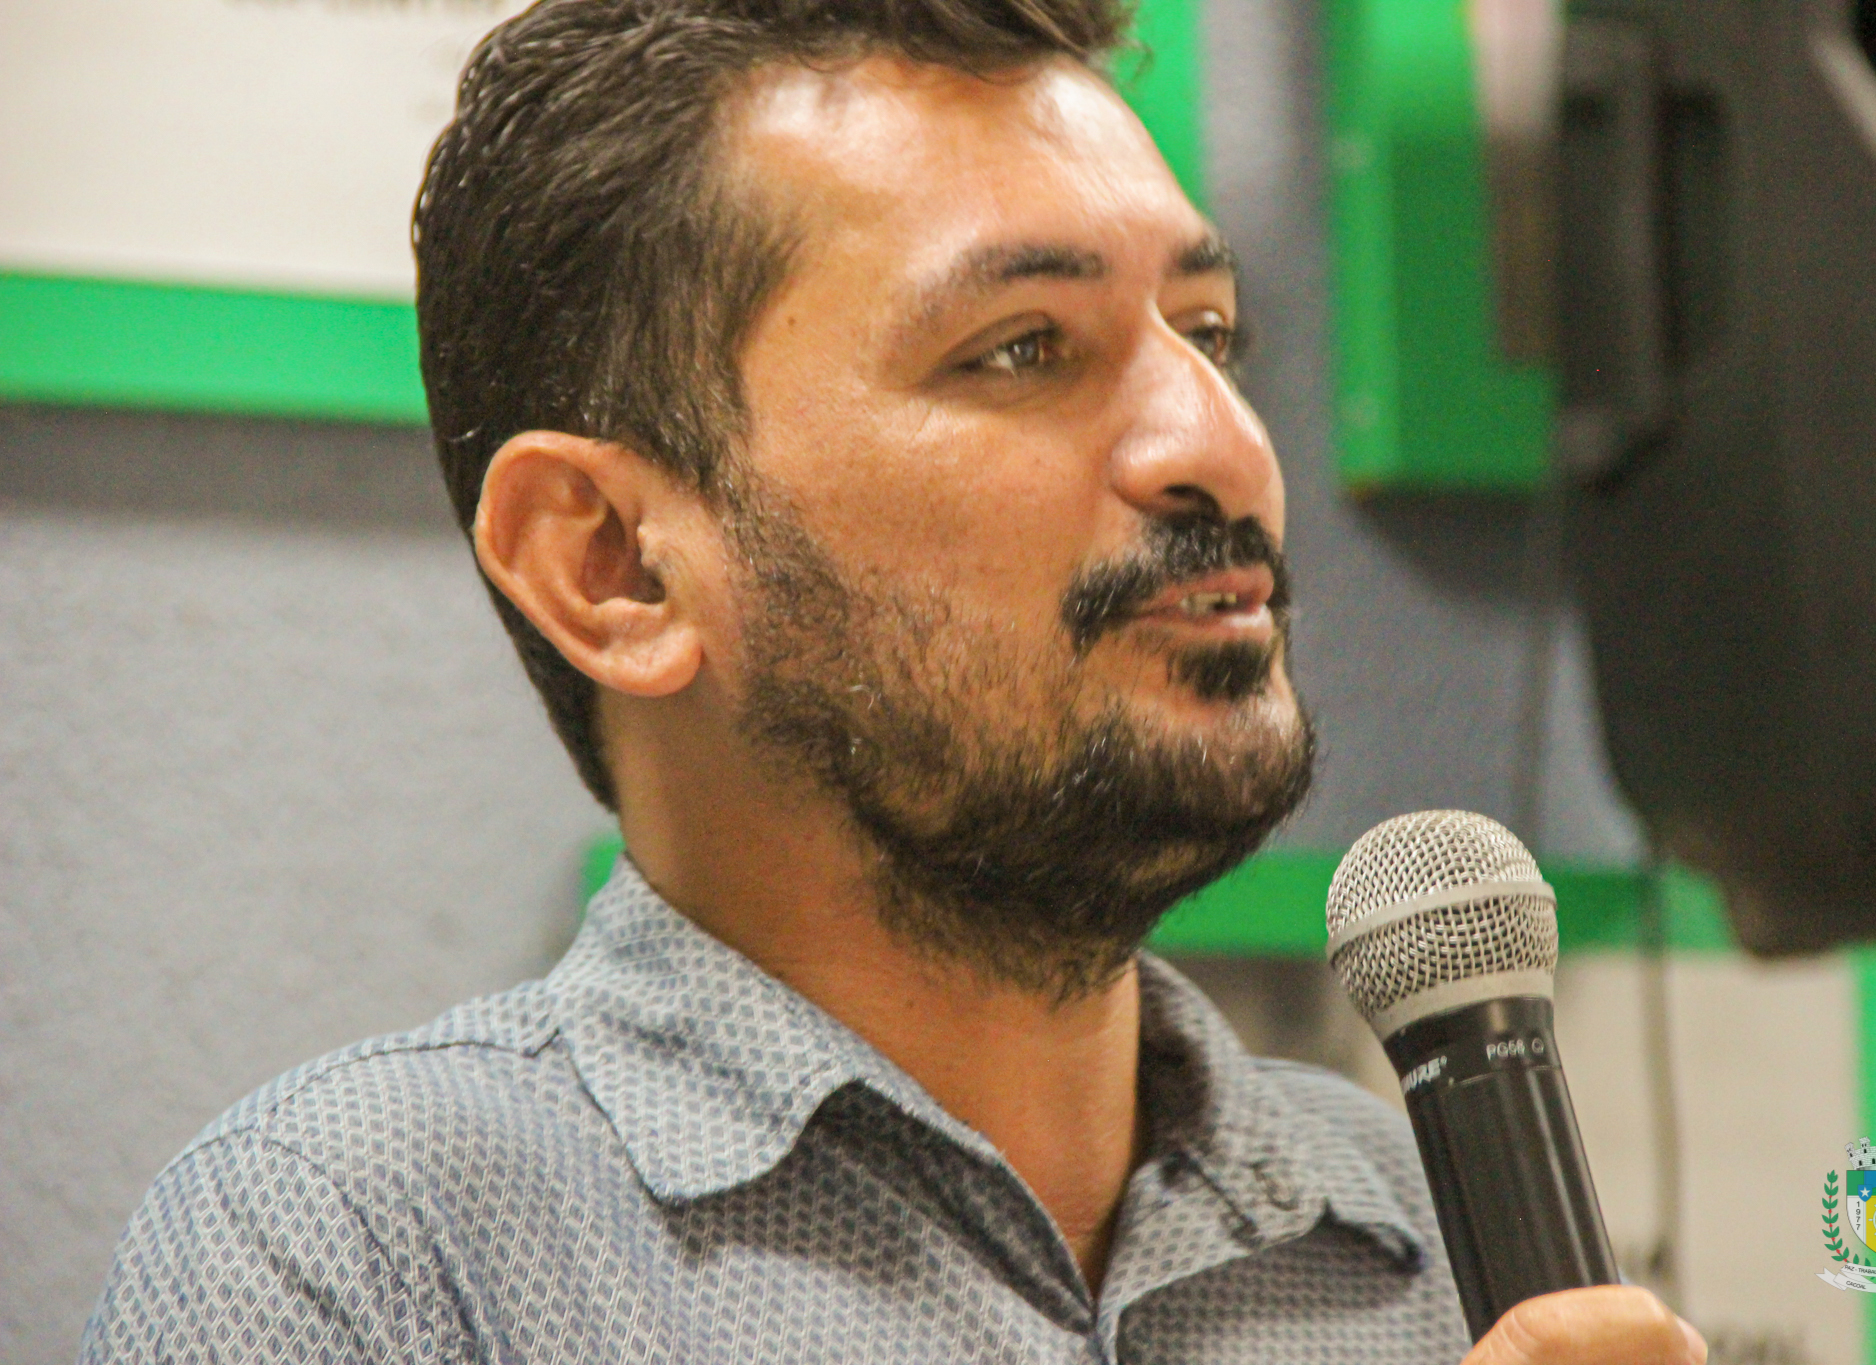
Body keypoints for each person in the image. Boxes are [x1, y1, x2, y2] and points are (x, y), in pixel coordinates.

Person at [83, 2, 1705, 1361]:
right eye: (1022, 347)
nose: (1221, 447)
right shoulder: (354, 1256)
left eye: (1209, 332)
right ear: (613, 563)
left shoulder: (1422, 1232)